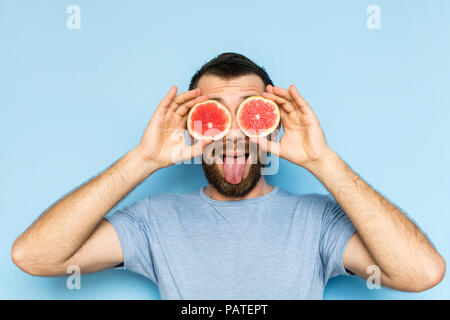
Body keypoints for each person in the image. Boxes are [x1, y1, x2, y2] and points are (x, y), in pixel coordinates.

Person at [11, 53, 445, 299]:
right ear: (193, 126)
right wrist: (142, 160)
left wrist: (322, 161)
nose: (235, 132)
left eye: (250, 114)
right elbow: (34, 258)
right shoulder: (154, 221)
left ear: (273, 124)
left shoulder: (317, 221)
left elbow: (421, 274)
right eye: (216, 115)